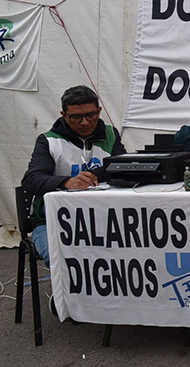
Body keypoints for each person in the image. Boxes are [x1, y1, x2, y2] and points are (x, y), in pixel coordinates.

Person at [21, 85, 126, 266]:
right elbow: (31, 180)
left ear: (99, 111)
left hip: (104, 218)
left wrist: (95, 174)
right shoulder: (49, 141)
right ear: (64, 115)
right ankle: (66, 295)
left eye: (91, 115)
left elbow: (122, 167)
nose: (84, 122)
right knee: (63, 259)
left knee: (131, 252)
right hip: (52, 221)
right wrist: (66, 182)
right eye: (76, 117)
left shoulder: (111, 134)